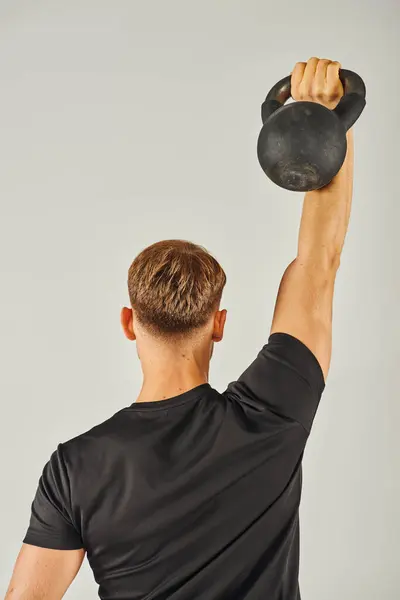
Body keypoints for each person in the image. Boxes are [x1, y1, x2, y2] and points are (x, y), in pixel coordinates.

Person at [5, 57, 353, 600]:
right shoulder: (271, 413)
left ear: (128, 322)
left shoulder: (76, 467)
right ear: (219, 325)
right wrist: (326, 120)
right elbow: (319, 266)